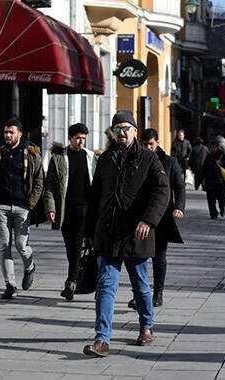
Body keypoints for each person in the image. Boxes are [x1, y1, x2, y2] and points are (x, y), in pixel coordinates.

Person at [82, 111, 170, 357]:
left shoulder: (148, 159)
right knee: (105, 286)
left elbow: (162, 191)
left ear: (135, 130)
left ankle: (146, 326)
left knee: (140, 284)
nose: (122, 132)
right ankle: (102, 339)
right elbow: (94, 197)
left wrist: (149, 220)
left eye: (126, 127)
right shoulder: (106, 159)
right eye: (117, 128)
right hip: (108, 233)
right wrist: (89, 232)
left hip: (136, 234)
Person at [0, 116, 44, 300]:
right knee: (4, 246)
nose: (8, 135)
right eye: (6, 132)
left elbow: (39, 181)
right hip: (1, 206)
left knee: (21, 245)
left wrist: (30, 203)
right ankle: (10, 285)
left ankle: (29, 266)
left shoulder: (31, 153)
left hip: (22, 207)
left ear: (19, 133)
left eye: (11, 132)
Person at [125, 128, 186, 308]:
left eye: (151, 144)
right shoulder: (135, 160)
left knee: (159, 257)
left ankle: (158, 292)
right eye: (144, 144)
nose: (148, 147)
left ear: (157, 143)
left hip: (162, 216)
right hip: (138, 216)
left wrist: (179, 207)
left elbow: (179, 187)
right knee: (138, 257)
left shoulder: (169, 162)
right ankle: (139, 294)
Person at [43, 123, 97, 301]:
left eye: (83, 138)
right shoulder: (59, 158)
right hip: (65, 211)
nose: (80, 141)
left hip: (85, 209)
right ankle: (75, 278)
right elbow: (49, 186)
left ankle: (71, 282)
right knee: (70, 248)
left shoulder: (90, 157)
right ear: (70, 138)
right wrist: (50, 208)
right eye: (77, 138)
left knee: (76, 246)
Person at [203, 143, 225, 220]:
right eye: (211, 147)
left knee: (221, 199)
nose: (212, 149)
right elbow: (204, 168)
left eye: (214, 147)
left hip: (220, 181)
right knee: (211, 199)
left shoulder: (222, 155)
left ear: (217, 148)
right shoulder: (208, 156)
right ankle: (213, 214)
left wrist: (222, 163)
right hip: (210, 181)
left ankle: (222, 209)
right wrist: (202, 180)